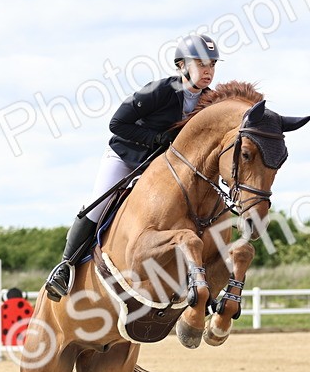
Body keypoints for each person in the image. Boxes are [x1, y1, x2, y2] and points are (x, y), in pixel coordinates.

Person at [43, 33, 220, 301]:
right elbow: (117, 124)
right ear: (182, 65)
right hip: (125, 157)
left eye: (212, 65)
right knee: (98, 204)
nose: (208, 71)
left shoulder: (211, 101)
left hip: (160, 169)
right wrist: (156, 140)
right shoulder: (159, 90)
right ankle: (65, 267)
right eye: (201, 63)